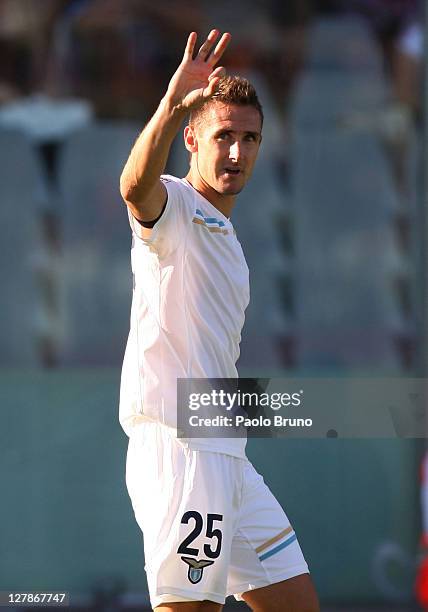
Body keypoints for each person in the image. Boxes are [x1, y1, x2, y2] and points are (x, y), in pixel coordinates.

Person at [119, 28, 320, 612]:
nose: (236, 152)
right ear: (191, 139)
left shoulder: (225, 232)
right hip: (182, 451)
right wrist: (170, 100)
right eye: (223, 136)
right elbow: (134, 187)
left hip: (225, 451)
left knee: (297, 603)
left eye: (249, 138)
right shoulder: (176, 207)